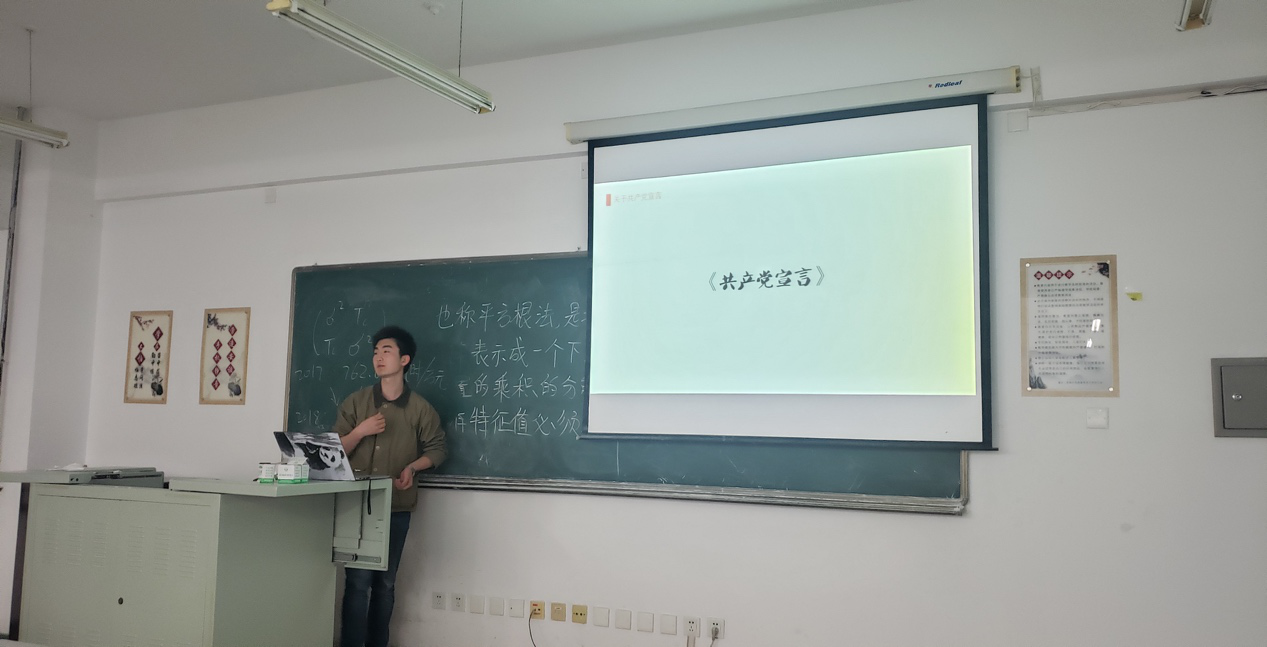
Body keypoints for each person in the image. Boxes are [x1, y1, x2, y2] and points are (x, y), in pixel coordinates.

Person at [334, 325, 447, 647]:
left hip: (396, 506)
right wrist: (360, 431)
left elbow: (438, 449)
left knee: (385, 584)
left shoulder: (420, 408)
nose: (378, 358)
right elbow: (332, 451)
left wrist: (412, 467)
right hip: (355, 504)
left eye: (387, 351)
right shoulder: (356, 403)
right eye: (375, 352)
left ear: (404, 359)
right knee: (357, 582)